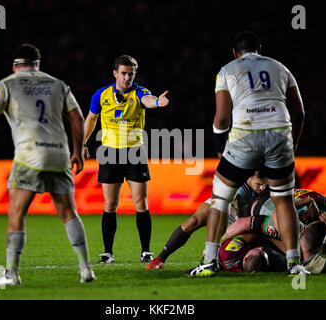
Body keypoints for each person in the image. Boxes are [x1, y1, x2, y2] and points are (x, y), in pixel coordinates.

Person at [0, 44, 95, 286]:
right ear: (38, 64)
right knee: (68, 213)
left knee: (16, 213)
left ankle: (12, 275)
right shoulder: (58, 84)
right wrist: (77, 151)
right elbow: (77, 117)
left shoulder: (7, 84)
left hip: (29, 157)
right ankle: (86, 269)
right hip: (59, 155)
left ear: (15, 66)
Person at [186, 31, 307, 277]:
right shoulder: (280, 67)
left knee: (220, 198)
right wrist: (291, 144)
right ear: (259, 49)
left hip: (246, 135)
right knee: (283, 200)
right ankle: (295, 264)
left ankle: (210, 262)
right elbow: (300, 112)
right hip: (279, 134)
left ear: (235, 52)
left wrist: (220, 146)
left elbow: (221, 117)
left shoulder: (228, 70)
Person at [83, 55, 169, 263]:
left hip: (134, 153)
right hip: (110, 153)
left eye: (131, 74)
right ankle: (108, 252)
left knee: (140, 202)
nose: (127, 77)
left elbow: (148, 101)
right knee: (110, 204)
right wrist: (83, 144)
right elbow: (91, 119)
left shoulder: (140, 92)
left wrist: (158, 102)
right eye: (123, 73)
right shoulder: (101, 95)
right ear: (115, 73)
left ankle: (146, 251)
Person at [146, 171, 267, 269]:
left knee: (238, 240)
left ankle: (222, 259)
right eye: (259, 184)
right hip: (227, 203)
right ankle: (160, 258)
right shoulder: (238, 188)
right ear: (249, 179)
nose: (262, 187)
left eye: (264, 184)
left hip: (246, 216)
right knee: (193, 222)